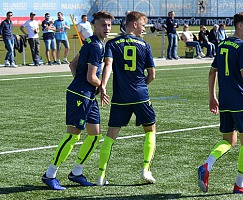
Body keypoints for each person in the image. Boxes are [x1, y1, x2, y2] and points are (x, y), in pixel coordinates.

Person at [41, 10, 114, 190]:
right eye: (103, 25)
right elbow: (91, 76)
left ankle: (76, 172)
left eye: (109, 25)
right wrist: (101, 86)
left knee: (95, 135)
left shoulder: (91, 42)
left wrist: (81, 83)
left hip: (87, 95)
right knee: (73, 135)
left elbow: (72, 64)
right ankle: (50, 174)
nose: (107, 28)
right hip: (81, 95)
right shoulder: (96, 46)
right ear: (94, 25)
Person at [198, 11, 243, 194]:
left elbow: (212, 71)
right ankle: (240, 184)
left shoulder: (222, 45)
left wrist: (212, 96)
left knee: (229, 140)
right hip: (241, 101)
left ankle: (207, 164)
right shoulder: (242, 47)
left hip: (226, 101)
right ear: (240, 26)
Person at [97, 11, 157, 186]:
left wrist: (103, 85)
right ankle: (146, 169)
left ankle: (101, 175)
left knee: (110, 136)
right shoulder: (144, 45)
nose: (144, 29)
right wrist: (141, 87)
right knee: (150, 130)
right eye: (143, 25)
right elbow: (152, 75)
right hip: (140, 95)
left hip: (120, 97)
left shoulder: (112, 43)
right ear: (134, 24)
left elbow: (108, 65)